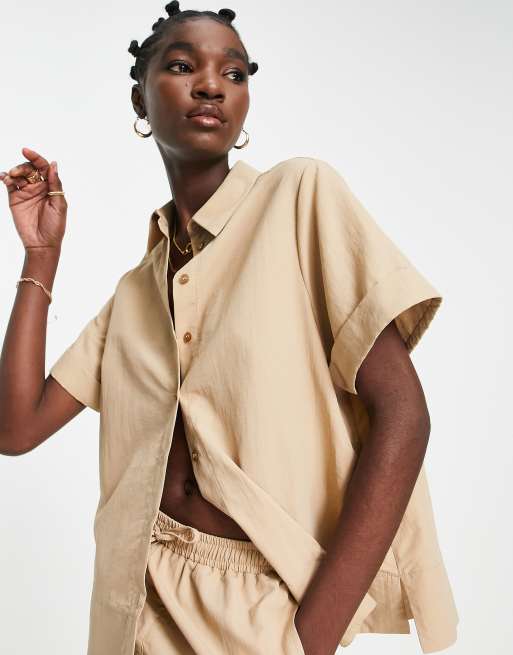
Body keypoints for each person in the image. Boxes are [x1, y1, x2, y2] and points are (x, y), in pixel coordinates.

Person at [0, 2, 459, 654]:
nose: (212, 85)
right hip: (134, 607)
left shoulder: (300, 197)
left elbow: (404, 415)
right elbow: (16, 428)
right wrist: (40, 255)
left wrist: (312, 635)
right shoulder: (135, 293)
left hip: (264, 610)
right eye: (182, 66)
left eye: (234, 73)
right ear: (140, 98)